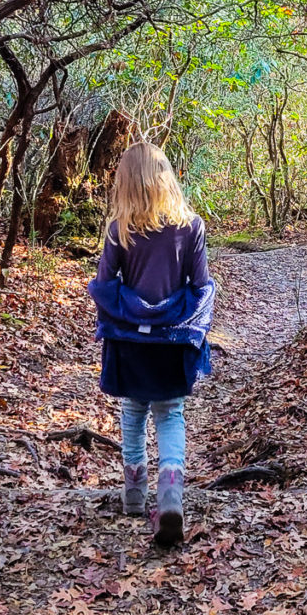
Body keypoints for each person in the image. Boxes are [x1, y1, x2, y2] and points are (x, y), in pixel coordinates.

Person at [88, 142, 214, 546]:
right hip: (172, 341)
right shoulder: (191, 226)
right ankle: (171, 494)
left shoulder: (118, 230)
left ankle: (133, 494)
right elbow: (201, 286)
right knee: (171, 414)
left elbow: (105, 286)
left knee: (132, 410)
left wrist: (129, 309)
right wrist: (180, 317)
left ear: (125, 181)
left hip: (131, 341)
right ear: (166, 177)